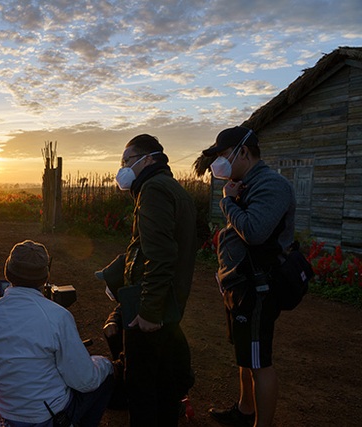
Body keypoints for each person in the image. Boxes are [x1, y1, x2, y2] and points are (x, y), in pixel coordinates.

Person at [203, 126, 296, 427]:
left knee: (259, 361)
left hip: (259, 287)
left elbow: (254, 232)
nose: (219, 163)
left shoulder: (272, 185)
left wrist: (228, 202)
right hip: (240, 284)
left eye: (222, 155)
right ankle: (245, 411)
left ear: (243, 152)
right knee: (245, 354)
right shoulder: (245, 183)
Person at [111, 134, 198, 426]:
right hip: (167, 301)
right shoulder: (170, 188)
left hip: (151, 307)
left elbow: (160, 256)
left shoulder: (153, 190)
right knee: (163, 383)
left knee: (142, 385)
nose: (122, 168)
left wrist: (148, 311)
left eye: (127, 161)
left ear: (148, 159)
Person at [0, 240, 114, 427]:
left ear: (8, 273)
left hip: (8, 415)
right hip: (45, 418)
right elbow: (86, 381)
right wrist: (106, 364)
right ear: (44, 278)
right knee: (104, 378)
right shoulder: (56, 316)